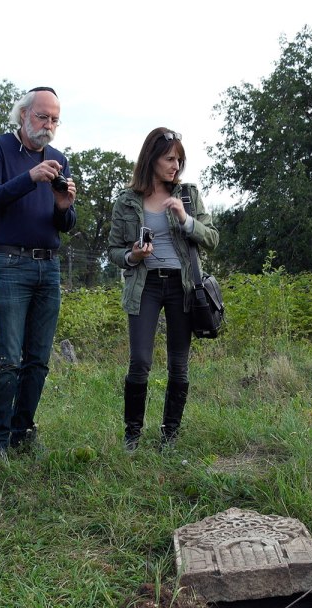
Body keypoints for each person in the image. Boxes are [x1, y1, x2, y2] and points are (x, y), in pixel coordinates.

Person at [0, 87, 76, 455]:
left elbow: (64, 223)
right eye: (42, 116)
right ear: (23, 115)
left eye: (54, 119)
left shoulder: (59, 159)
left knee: (38, 359)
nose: (48, 125)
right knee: (9, 356)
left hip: (48, 267)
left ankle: (22, 433)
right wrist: (30, 177)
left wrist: (64, 206)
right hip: (9, 263)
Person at [108, 128, 219, 451]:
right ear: (152, 159)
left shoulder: (188, 195)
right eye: (170, 158)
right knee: (140, 361)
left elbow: (212, 238)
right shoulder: (127, 201)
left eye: (180, 159)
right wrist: (133, 255)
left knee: (178, 364)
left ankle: (169, 436)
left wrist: (185, 219)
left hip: (182, 287)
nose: (176, 165)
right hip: (145, 284)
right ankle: (132, 436)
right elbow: (114, 250)